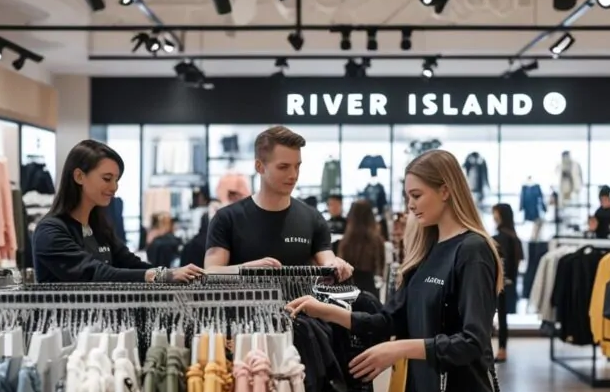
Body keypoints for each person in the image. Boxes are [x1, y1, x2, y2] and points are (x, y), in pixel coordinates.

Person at [286, 149, 503, 392]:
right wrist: (326, 311)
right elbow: (389, 320)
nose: (410, 205)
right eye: (407, 196)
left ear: (446, 190)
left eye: (416, 195)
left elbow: (472, 342)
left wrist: (398, 349)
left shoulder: (473, 251)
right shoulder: (426, 251)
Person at [33, 140, 203, 283]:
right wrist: (163, 275)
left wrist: (172, 273)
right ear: (79, 176)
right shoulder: (50, 232)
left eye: (116, 180)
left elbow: (131, 263)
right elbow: (96, 274)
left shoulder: (98, 227)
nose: (114, 187)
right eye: (107, 179)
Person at [205, 126, 353, 281]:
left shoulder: (312, 218)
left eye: (297, 166)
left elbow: (328, 260)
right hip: (243, 297)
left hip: (301, 298)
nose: (293, 175)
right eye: (283, 167)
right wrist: (246, 269)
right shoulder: (227, 219)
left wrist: (337, 265)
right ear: (259, 167)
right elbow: (210, 273)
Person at [491, 203, 523, 363]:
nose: (493, 217)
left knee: (497, 316)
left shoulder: (500, 238)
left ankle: (500, 350)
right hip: (508, 282)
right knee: (502, 317)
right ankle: (502, 349)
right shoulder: (514, 237)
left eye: (495, 213)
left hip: (499, 282)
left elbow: (501, 262)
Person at [337, 199, 386, 298]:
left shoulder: (346, 241)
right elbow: (380, 268)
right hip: (370, 289)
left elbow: (340, 266)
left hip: (348, 290)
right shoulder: (377, 241)